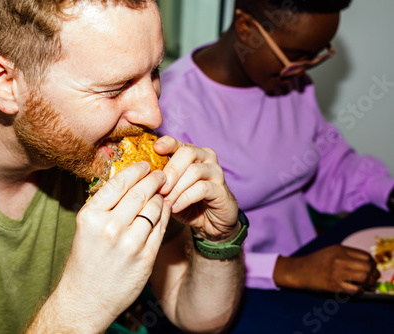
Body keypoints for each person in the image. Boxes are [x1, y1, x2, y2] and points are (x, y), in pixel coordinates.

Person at [0, 1, 247, 333]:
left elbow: (199, 317)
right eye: (115, 88)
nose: (153, 114)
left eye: (154, 71)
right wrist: (81, 306)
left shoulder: (101, 150)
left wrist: (218, 239)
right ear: (4, 83)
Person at [158, 0, 394, 294]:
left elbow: (329, 164)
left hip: (309, 261)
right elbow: (176, 248)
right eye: (295, 56)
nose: (302, 71)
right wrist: (286, 270)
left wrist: (386, 191)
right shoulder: (171, 109)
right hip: (223, 288)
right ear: (247, 30)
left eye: (315, 56)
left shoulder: (289, 82)